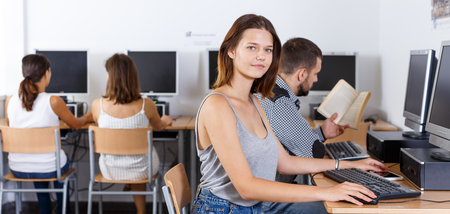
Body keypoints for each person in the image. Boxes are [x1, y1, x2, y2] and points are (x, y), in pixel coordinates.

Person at [193, 14, 389, 214]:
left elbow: (285, 163)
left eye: (267, 50)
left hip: (254, 206)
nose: (261, 55)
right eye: (252, 47)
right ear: (231, 51)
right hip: (223, 209)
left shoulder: (254, 102)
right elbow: (246, 187)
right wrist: (328, 192)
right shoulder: (217, 105)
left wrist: (348, 165)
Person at [4, 54, 93, 214]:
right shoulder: (54, 101)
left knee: (40, 159)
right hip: (48, 168)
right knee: (56, 160)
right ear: (46, 73)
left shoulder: (10, 100)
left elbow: (13, 127)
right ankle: (62, 210)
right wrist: (88, 116)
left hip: (17, 167)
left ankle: (46, 211)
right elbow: (75, 124)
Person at [257, 37, 349, 183]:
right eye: (315, 74)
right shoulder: (280, 103)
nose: (316, 80)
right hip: (269, 197)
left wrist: (323, 133)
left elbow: (295, 141)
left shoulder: (268, 90)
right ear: (302, 74)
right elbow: (313, 154)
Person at [91, 53, 173, 214]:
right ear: (133, 76)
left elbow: (99, 126)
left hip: (110, 169)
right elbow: (158, 127)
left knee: (131, 155)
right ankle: (141, 211)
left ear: (110, 77)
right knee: (140, 159)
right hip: (142, 170)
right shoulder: (146, 104)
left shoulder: (97, 105)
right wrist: (165, 120)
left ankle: (129, 182)